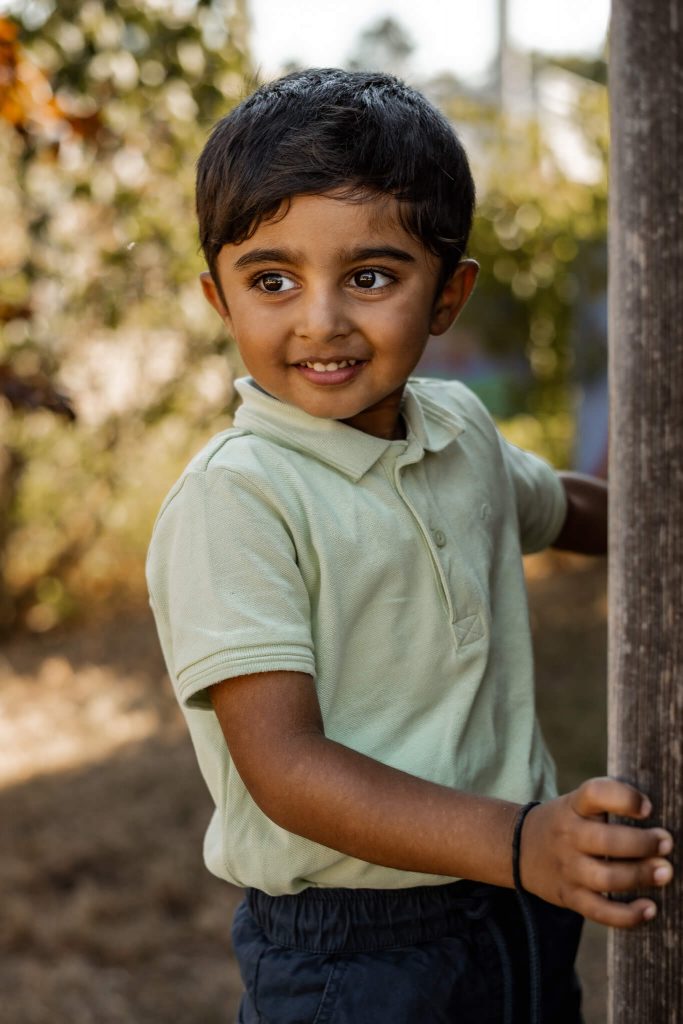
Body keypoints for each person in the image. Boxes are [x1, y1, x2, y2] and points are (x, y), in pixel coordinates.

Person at [146, 69, 674, 1023]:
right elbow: (286, 770)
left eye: (371, 276)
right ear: (219, 299)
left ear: (446, 295)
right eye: (272, 279)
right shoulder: (237, 500)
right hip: (355, 952)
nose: (320, 319)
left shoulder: (458, 431)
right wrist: (521, 842)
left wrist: (660, 522)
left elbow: (563, 507)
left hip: (514, 910)